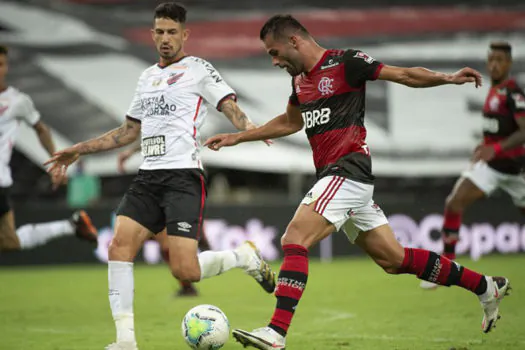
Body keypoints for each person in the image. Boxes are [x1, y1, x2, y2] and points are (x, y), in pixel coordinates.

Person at [204, 15, 511, 350]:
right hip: (339, 180)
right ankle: (485, 287)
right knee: (394, 260)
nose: (274, 61)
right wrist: (240, 137)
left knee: (294, 238)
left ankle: (276, 332)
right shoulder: (300, 83)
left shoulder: (346, 62)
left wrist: (448, 78)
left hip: (347, 170)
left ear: (294, 41)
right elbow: (290, 122)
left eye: (274, 53)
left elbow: (404, 75)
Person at [44, 3, 276, 350]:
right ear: (153, 35)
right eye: (160, 32)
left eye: (172, 32)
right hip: (147, 179)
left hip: (183, 177)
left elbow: (230, 107)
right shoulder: (147, 77)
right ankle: (125, 341)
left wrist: (250, 129)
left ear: (185, 34)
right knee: (118, 248)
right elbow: (127, 132)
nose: (165, 38)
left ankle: (243, 257)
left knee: (186, 272)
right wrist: (80, 148)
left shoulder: (198, 69)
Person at [421, 42, 525, 289]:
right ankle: (447, 266)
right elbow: (497, 131)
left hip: (517, 170)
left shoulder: (513, 93)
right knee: (454, 203)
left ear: (509, 63)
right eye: (491, 60)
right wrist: (484, 145)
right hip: (491, 167)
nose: (494, 64)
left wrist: (495, 149)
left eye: (500, 60)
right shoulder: (493, 91)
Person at [0, 45, 97, 253]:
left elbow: (41, 129)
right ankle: (70, 225)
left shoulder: (18, 101)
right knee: (10, 243)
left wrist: (55, 161)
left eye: (0, 64)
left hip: (1, 180)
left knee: (10, 243)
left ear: (6, 67)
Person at [118, 142, 213, 297]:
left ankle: (233, 257)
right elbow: (151, 137)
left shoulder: (185, 125)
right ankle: (187, 286)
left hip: (183, 180)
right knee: (165, 245)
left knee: (173, 244)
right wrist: (130, 151)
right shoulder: (156, 125)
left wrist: (129, 152)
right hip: (158, 182)